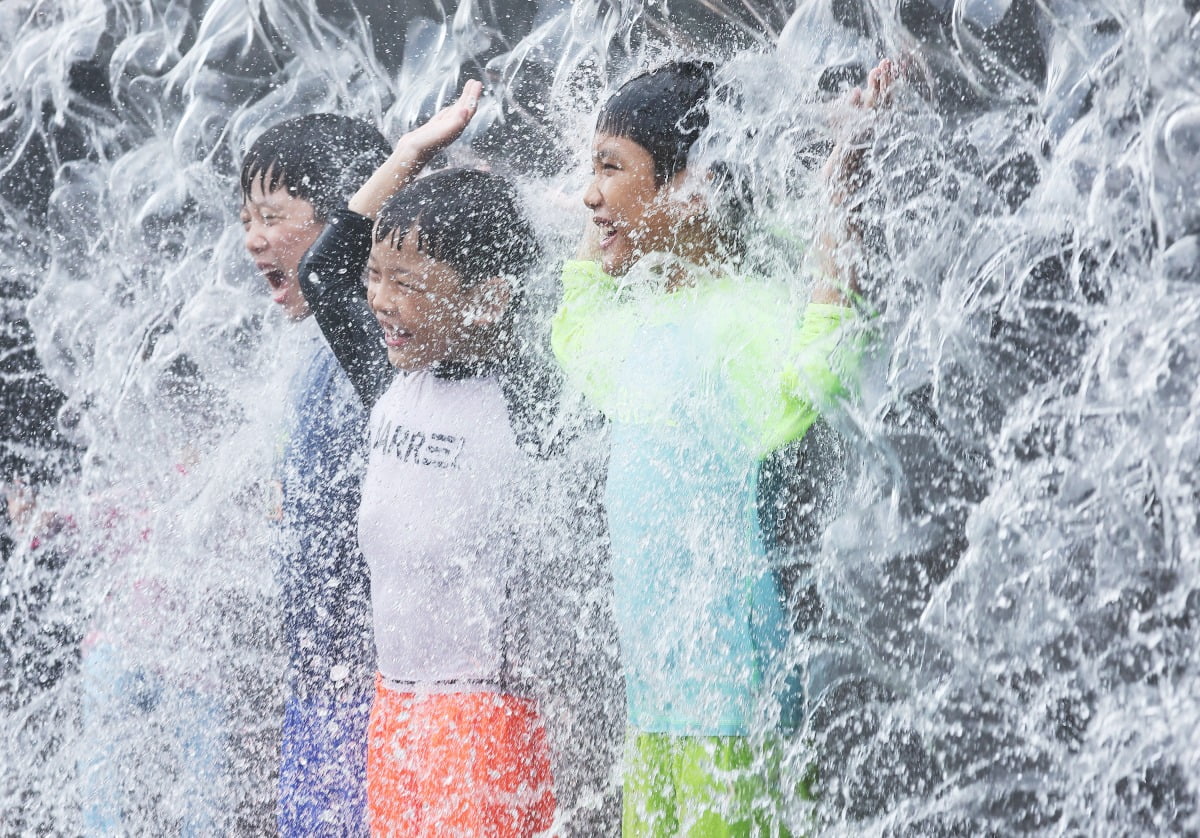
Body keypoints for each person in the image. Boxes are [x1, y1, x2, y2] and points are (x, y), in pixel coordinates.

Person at [550, 59, 894, 836]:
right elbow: (573, 320)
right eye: (590, 168)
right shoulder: (635, 323)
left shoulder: (740, 320)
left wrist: (843, 179)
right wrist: (606, 218)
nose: (588, 193)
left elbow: (824, 364)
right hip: (657, 701)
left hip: (732, 703)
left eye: (610, 167)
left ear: (695, 187)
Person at [296, 81, 556, 836]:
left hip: (485, 721)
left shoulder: (529, 399)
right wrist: (408, 156)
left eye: (405, 284)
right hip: (395, 710)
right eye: (375, 277)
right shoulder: (391, 386)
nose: (376, 300)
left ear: (488, 300)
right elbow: (323, 273)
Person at [239, 114, 390, 836]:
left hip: (376, 695)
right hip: (317, 693)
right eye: (245, 219)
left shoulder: (383, 351)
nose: (253, 239)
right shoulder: (306, 363)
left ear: (341, 224)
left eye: (272, 216)